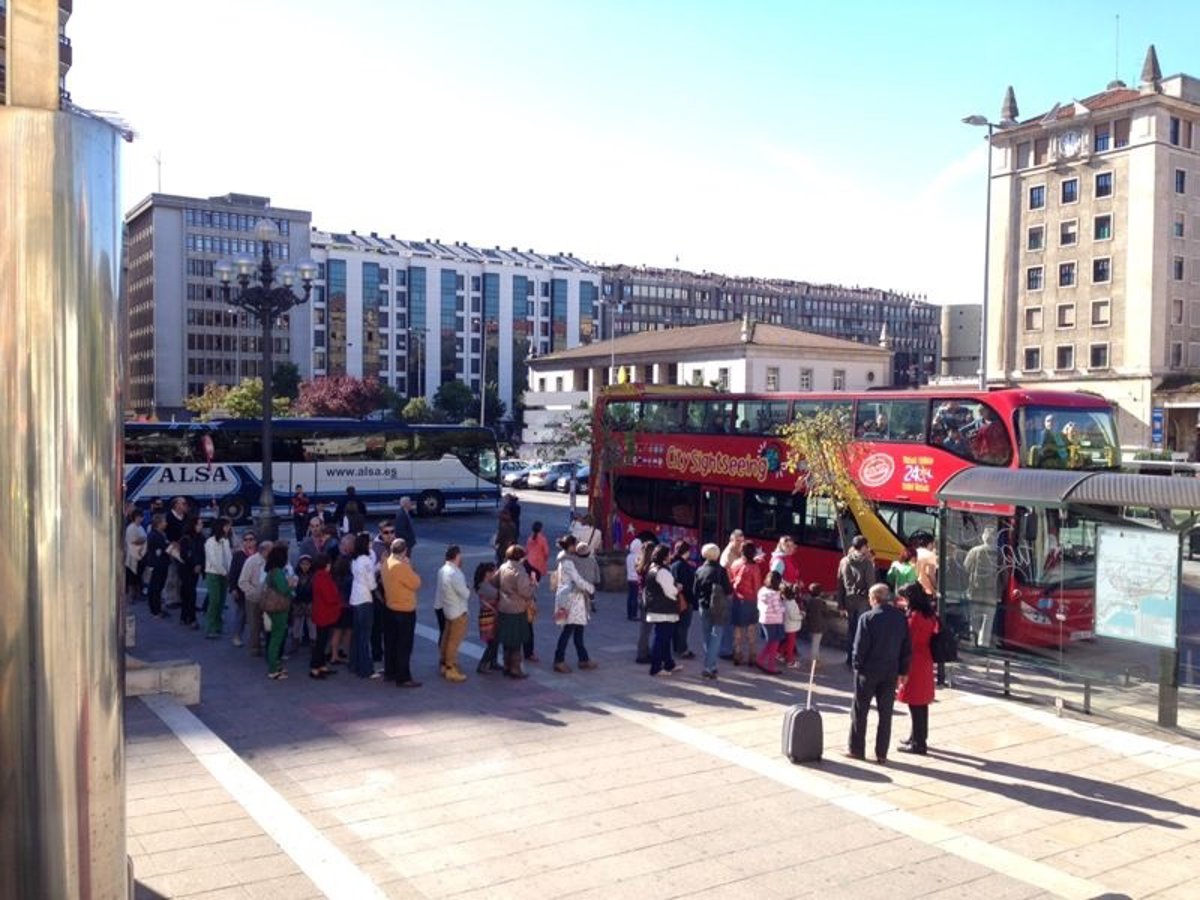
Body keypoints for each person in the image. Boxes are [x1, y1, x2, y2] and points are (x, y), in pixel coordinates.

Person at [847, 583, 912, 765]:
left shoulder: (867, 618)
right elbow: (906, 647)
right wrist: (903, 670)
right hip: (890, 671)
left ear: (874, 599)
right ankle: (881, 753)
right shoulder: (900, 618)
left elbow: (859, 647)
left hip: (868, 671)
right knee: (885, 714)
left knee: (860, 711)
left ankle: (856, 749)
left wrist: (857, 667)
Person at [896, 583, 938, 755]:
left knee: (915, 704)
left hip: (914, 662)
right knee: (921, 703)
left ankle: (918, 743)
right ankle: (917, 736)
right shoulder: (929, 613)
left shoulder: (915, 617)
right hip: (925, 659)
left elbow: (909, 643)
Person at [552, 535, 597, 673]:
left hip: (571, 597)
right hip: (571, 598)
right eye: (575, 544)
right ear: (571, 546)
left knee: (578, 629)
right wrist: (590, 588)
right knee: (568, 629)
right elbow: (577, 579)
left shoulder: (566, 557)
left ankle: (583, 659)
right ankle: (559, 660)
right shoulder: (567, 561)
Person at [381, 537, 422, 687]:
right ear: (405, 551)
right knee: (404, 645)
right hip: (404, 610)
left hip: (390, 607)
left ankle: (390, 672)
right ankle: (403, 677)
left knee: (390, 643)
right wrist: (409, 566)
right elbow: (416, 583)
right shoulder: (401, 566)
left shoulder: (386, 563)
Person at [693, 543, 732, 679]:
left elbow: (695, 591)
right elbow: (728, 590)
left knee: (707, 636)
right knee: (716, 636)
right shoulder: (721, 571)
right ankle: (709, 667)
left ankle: (712, 665)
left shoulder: (699, 570)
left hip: (703, 606)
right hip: (718, 608)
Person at [643, 543, 681, 676]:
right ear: (664, 556)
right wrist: (677, 589)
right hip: (664, 609)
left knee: (664, 637)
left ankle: (669, 663)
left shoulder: (652, 568)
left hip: (656, 608)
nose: (670, 556)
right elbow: (670, 591)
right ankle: (656, 667)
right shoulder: (662, 571)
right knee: (662, 638)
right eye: (669, 554)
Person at [497, 545, 535, 678]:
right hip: (517, 608)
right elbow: (526, 592)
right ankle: (515, 669)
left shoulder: (503, 567)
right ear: (520, 557)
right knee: (516, 640)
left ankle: (506, 665)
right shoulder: (520, 571)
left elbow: (494, 582)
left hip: (503, 607)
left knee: (507, 639)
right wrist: (533, 585)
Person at [837, 536, 875, 667]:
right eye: (867, 546)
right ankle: (859, 659)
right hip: (863, 601)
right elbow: (871, 585)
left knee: (851, 630)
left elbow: (840, 583)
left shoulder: (844, 561)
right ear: (863, 547)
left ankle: (850, 658)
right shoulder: (867, 563)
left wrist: (840, 604)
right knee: (862, 631)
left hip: (849, 600)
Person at [435, 545, 471, 682]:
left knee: (446, 638)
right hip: (458, 611)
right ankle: (450, 667)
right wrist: (467, 589)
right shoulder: (455, 573)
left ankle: (444, 663)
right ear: (457, 556)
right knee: (454, 642)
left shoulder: (442, 570)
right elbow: (465, 594)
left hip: (448, 609)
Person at [348, 532, 378, 679]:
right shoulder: (366, 560)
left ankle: (354, 664)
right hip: (365, 598)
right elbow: (371, 582)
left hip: (355, 597)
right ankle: (366, 669)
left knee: (357, 634)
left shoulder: (354, 560)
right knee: (365, 635)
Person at [964, 527, 1000, 647]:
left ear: (983, 537)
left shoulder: (974, 551)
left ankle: (973, 641)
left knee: (974, 617)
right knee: (988, 620)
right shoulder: (999, 553)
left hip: (975, 590)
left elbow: (966, 567)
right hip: (992, 593)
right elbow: (1004, 574)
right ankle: (984, 643)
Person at [263, 544, 294, 680]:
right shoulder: (278, 572)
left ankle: (275, 665)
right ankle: (273, 669)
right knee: (277, 638)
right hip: (279, 608)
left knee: (274, 637)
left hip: (272, 607)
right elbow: (284, 589)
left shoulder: (271, 571)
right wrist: (291, 584)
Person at [729, 542, 763, 666]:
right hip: (750, 600)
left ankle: (737, 655)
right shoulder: (754, 567)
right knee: (751, 629)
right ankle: (752, 657)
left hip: (737, 599)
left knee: (737, 629)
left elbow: (730, 579)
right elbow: (757, 586)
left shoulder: (735, 563)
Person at [309, 553, 341, 680]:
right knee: (321, 642)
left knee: (322, 640)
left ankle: (321, 665)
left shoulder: (319, 576)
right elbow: (330, 596)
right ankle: (315, 667)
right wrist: (337, 597)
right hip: (324, 613)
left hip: (321, 612)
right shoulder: (323, 577)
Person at [238, 539, 272, 656]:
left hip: (268, 598)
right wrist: (254, 592)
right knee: (254, 624)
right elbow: (242, 581)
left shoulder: (272, 561)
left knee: (268, 624)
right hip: (253, 599)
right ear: (264, 551)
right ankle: (255, 647)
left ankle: (269, 646)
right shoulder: (251, 562)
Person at [203, 517, 233, 638]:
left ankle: (218, 625)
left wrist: (229, 571)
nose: (228, 529)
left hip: (224, 574)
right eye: (226, 526)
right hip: (213, 573)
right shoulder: (210, 542)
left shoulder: (225, 541)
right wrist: (224, 572)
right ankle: (210, 627)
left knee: (221, 601)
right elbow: (213, 560)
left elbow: (229, 558)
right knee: (214, 600)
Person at [228, 531, 256, 647]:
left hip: (256, 589)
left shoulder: (258, 554)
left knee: (257, 614)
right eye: (246, 540)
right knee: (242, 613)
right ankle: (237, 636)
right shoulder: (238, 555)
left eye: (251, 539)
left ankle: (258, 636)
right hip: (242, 589)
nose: (248, 542)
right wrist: (233, 588)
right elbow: (233, 573)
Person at [178, 516, 206, 629]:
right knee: (190, 593)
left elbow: (203, 553)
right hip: (186, 568)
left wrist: (200, 565)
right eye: (199, 524)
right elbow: (185, 554)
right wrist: (195, 564)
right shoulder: (186, 538)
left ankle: (184, 616)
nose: (201, 526)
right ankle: (191, 618)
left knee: (188, 592)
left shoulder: (201, 537)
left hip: (196, 568)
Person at [756, 570, 786, 674]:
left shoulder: (762, 590)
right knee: (774, 644)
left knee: (770, 642)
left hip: (764, 619)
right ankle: (771, 666)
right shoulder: (774, 594)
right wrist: (784, 606)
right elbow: (778, 609)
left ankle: (760, 660)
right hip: (774, 620)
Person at [475, 562, 502, 675]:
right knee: (493, 641)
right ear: (487, 573)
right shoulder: (486, 587)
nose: (495, 574)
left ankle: (493, 662)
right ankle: (483, 664)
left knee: (494, 640)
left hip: (489, 615)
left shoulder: (484, 584)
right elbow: (499, 594)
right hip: (490, 616)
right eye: (493, 571)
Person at [145, 513, 172, 620]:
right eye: (164, 522)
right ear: (158, 523)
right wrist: (172, 547)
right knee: (155, 587)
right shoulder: (154, 535)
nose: (166, 523)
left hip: (162, 563)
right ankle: (155, 610)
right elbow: (165, 547)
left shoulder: (161, 534)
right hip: (157, 564)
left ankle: (158, 608)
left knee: (159, 586)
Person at [290, 554, 316, 653]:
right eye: (303, 564)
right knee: (297, 623)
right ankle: (295, 642)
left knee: (311, 624)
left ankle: (313, 642)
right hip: (298, 601)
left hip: (310, 601)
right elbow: (292, 588)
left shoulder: (313, 575)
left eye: (307, 564)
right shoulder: (295, 575)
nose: (305, 566)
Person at [124, 507, 148, 606]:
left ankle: (138, 593)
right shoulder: (131, 528)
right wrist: (142, 540)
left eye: (141, 517)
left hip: (141, 554)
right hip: (132, 554)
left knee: (138, 575)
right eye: (139, 517)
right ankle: (130, 596)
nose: (141, 519)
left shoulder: (141, 528)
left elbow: (144, 538)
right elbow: (132, 541)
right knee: (131, 576)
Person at [804, 581, 828, 666]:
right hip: (819, 626)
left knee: (814, 643)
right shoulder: (821, 602)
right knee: (816, 644)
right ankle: (813, 661)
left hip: (811, 625)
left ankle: (816, 658)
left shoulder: (809, 601)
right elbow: (826, 612)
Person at [781, 583, 805, 669]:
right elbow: (793, 616)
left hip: (787, 625)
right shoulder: (790, 603)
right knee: (790, 644)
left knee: (787, 642)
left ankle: (781, 654)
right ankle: (790, 660)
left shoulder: (784, 602)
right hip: (792, 627)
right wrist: (801, 616)